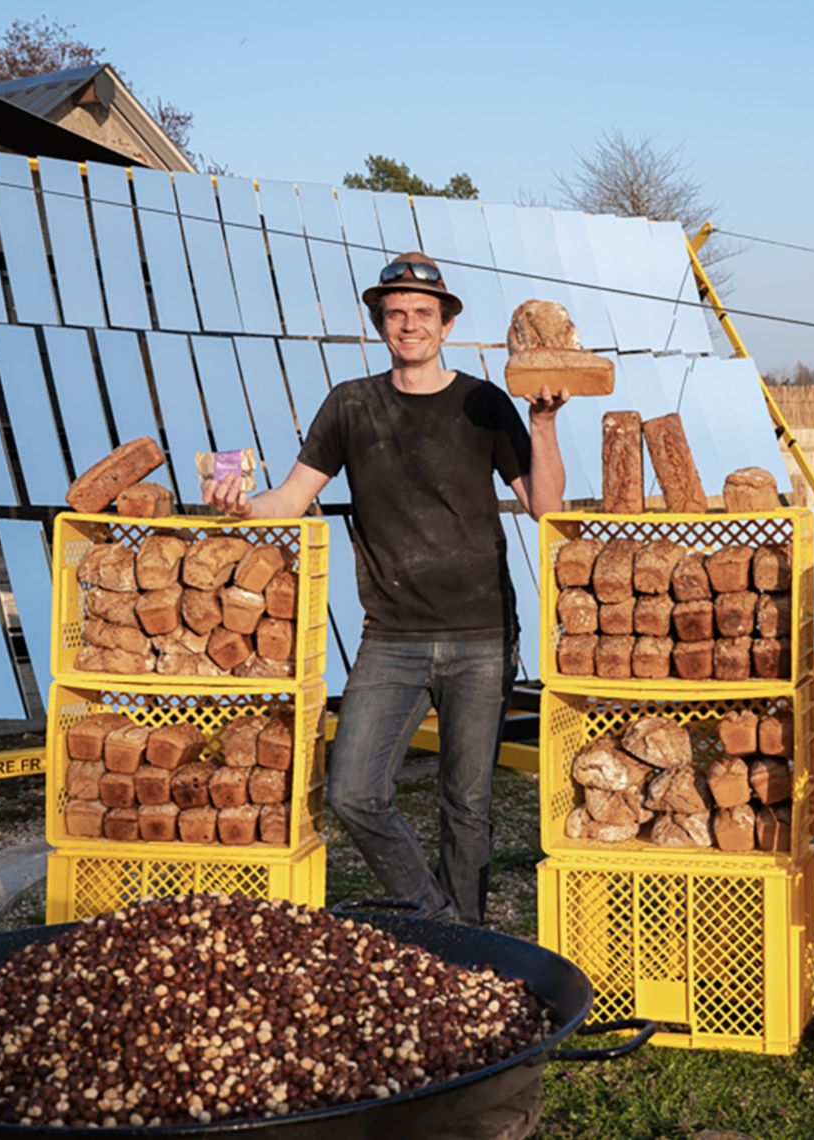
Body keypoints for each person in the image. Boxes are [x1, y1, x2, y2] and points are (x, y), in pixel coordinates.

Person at [203, 252, 566, 924]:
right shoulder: (351, 405)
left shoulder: (484, 402)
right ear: (380, 324)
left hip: (482, 635)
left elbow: (546, 508)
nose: (409, 325)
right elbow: (289, 498)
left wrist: (541, 425)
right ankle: (444, 921)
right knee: (353, 792)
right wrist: (238, 507)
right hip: (391, 638)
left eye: (422, 313)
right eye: (395, 313)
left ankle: (467, 943)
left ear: (446, 324)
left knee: (468, 803)